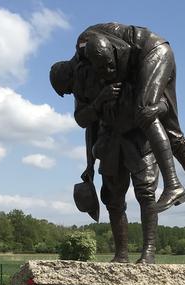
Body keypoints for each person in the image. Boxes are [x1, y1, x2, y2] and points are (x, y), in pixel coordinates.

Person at [75, 23, 185, 229]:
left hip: (155, 52)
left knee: (145, 111)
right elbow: (89, 123)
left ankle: (174, 184)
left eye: (110, 66)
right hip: (150, 54)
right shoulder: (91, 59)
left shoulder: (85, 51)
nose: (108, 72)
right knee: (174, 137)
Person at [50, 55, 161, 264]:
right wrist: (89, 163)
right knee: (113, 201)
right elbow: (84, 121)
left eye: (67, 88)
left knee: (146, 193)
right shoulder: (83, 84)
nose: (70, 92)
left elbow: (157, 100)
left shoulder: (131, 68)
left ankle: (149, 252)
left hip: (138, 140)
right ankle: (121, 254)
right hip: (109, 143)